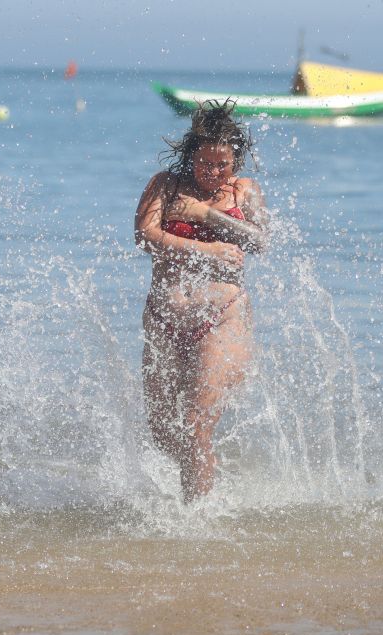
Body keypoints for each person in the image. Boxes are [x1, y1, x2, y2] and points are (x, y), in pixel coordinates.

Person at [135, 100, 268, 502]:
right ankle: (206, 479)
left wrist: (207, 217)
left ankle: (198, 521)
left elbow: (261, 240)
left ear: (235, 161)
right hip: (162, 319)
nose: (212, 173)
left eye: (222, 165)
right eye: (204, 163)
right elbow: (145, 237)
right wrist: (207, 252)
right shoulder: (165, 185)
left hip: (222, 321)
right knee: (162, 432)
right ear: (191, 154)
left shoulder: (244, 192)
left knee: (195, 425)